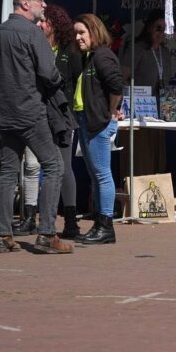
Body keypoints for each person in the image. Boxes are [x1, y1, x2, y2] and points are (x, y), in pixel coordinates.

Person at [0, 0, 72, 254]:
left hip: (3, 113)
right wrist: (56, 80)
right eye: (40, 1)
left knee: (8, 171)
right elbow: (49, 73)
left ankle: (3, 235)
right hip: (29, 112)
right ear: (25, 4)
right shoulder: (32, 33)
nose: (44, 5)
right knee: (54, 166)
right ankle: (47, 234)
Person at [14, 5, 83, 238]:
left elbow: (77, 80)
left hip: (62, 115)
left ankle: (71, 221)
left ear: (55, 23)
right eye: (39, 20)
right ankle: (29, 217)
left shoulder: (70, 50)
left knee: (64, 167)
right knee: (32, 165)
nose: (40, 24)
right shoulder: (34, 45)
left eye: (44, 21)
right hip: (37, 114)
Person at [72, 13, 124, 244]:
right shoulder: (89, 57)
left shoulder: (103, 56)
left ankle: (106, 226)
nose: (78, 37)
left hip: (98, 123)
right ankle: (100, 224)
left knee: (102, 175)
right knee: (96, 175)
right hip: (87, 121)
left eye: (82, 32)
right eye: (76, 33)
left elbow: (117, 85)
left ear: (94, 32)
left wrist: (111, 111)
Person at [121, 10, 173, 177]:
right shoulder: (137, 49)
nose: (161, 33)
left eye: (164, 29)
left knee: (157, 153)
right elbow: (122, 77)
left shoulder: (165, 53)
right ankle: (136, 186)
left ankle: (155, 186)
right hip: (139, 111)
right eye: (158, 28)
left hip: (160, 110)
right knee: (140, 154)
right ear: (149, 28)